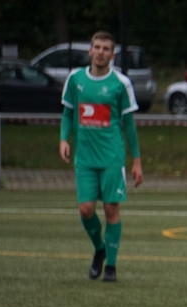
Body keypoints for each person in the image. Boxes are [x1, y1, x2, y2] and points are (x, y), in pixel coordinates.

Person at [59, 30, 144, 282]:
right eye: (97, 47)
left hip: (111, 157)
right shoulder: (75, 79)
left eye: (106, 49)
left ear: (112, 54)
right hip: (84, 158)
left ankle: (111, 267)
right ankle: (100, 249)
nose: (100, 52)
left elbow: (129, 124)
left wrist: (136, 160)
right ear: (90, 51)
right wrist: (64, 138)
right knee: (86, 209)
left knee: (110, 209)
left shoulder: (121, 83)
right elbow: (68, 113)